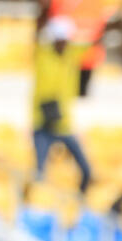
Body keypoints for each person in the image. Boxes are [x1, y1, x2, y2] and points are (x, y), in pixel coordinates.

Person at [32, 17, 92, 193]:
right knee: (39, 173)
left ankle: (80, 199)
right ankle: (36, 201)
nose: (63, 44)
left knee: (86, 170)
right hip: (42, 123)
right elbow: (36, 33)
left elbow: (93, 41)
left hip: (64, 124)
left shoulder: (71, 55)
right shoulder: (42, 54)